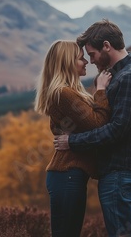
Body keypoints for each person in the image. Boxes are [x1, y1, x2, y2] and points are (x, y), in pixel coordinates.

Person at [54, 20, 131, 237]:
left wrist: (72, 142)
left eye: (92, 54)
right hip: (116, 172)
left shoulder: (130, 78)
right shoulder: (120, 75)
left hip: (120, 171)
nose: (90, 61)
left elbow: (116, 130)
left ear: (106, 46)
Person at [34, 40, 113, 237]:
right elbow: (97, 124)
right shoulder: (64, 93)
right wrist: (101, 91)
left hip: (68, 175)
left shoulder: (68, 92)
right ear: (67, 62)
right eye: (80, 58)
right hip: (67, 175)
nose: (86, 61)